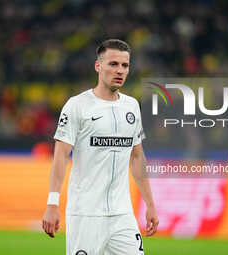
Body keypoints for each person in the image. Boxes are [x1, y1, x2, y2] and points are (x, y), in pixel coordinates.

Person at [42, 39, 159, 255]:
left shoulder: (131, 106)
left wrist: (150, 204)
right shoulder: (77, 106)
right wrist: (52, 204)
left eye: (125, 65)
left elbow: (136, 157)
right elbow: (60, 156)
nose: (120, 71)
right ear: (98, 66)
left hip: (122, 214)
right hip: (86, 214)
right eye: (113, 64)